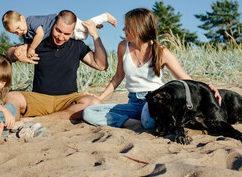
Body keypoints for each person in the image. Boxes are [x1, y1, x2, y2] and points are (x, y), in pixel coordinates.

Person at [82, 8, 222, 130]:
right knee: (89, 113)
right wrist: (100, 97)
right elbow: (118, 77)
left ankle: (144, 122)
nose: (123, 30)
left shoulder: (161, 51)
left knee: (148, 121)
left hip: (157, 101)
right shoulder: (122, 46)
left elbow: (183, 78)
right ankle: (133, 123)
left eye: (127, 27)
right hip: (134, 103)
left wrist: (207, 88)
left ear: (139, 29)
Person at [4, 10, 108, 121]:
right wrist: (15, 53)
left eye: (66, 34)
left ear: (73, 31)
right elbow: (9, 54)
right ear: (54, 24)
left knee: (94, 103)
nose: (60, 37)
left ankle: (40, 120)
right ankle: (13, 126)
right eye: (58, 30)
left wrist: (95, 35)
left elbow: (101, 65)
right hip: (40, 99)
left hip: (68, 100)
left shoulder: (77, 46)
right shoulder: (38, 42)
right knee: (11, 97)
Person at [2, 10, 116, 58]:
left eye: (18, 28)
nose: (19, 32)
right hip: (60, 32)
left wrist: (31, 48)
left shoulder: (31, 21)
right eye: (15, 32)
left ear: (22, 18)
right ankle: (92, 24)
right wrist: (21, 51)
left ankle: (105, 17)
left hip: (61, 21)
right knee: (83, 35)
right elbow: (25, 46)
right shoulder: (26, 35)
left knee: (82, 27)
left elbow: (40, 34)